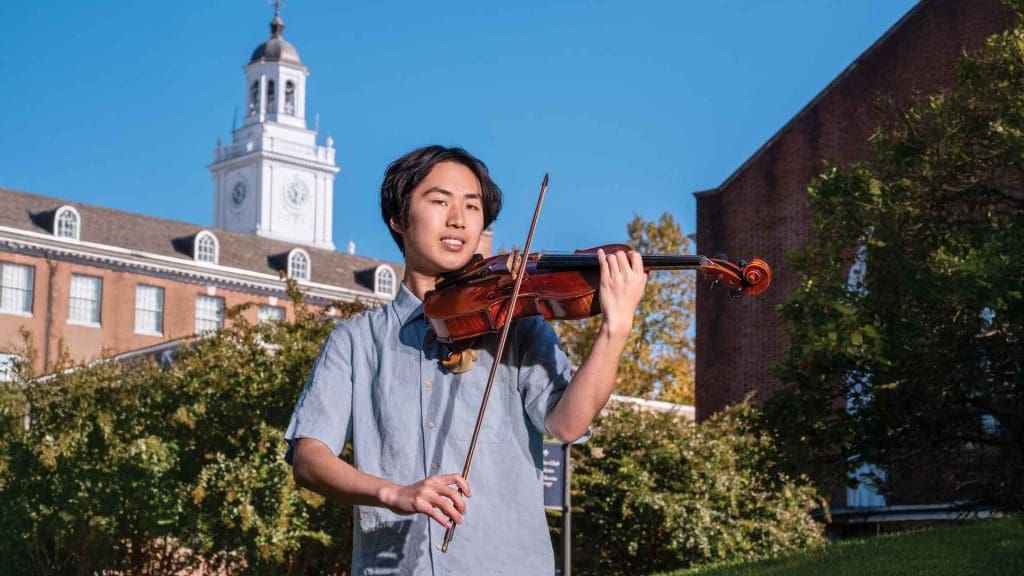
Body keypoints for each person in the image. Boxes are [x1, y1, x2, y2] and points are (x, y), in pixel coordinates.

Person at [285, 145, 646, 575]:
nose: (458, 218)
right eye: (439, 201)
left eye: (472, 206)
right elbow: (308, 457)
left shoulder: (517, 324)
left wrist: (615, 330)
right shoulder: (355, 341)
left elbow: (567, 424)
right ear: (398, 219)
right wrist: (394, 494)